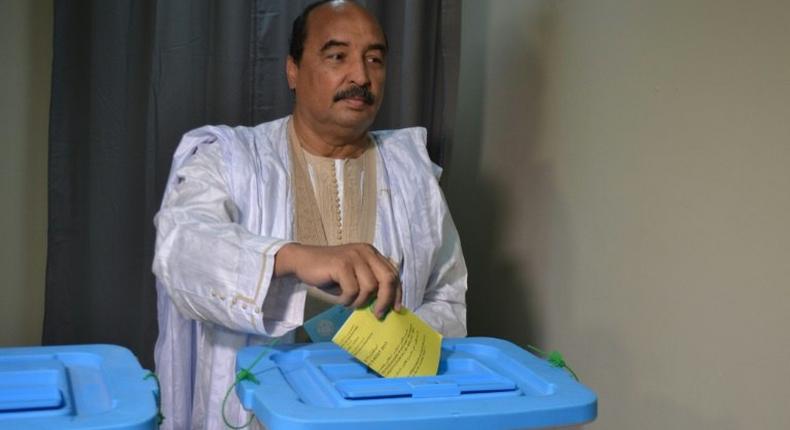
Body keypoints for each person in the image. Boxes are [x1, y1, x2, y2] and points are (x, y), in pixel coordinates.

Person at [152, 1, 467, 429]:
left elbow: (447, 294)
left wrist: (397, 347)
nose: (360, 76)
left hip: (384, 415)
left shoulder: (413, 172)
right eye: (337, 56)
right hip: (256, 417)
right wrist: (295, 258)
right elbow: (181, 250)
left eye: (374, 59)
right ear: (293, 71)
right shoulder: (229, 159)